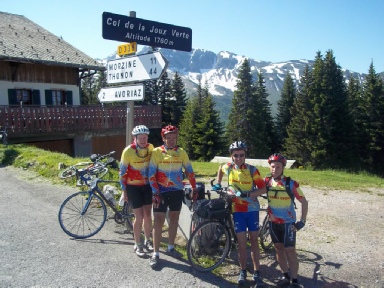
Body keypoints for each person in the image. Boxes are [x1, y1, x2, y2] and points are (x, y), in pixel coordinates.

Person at [212, 141, 267, 286]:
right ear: (231, 156)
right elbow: (220, 168)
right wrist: (218, 183)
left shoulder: (252, 170)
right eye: (235, 155)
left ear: (245, 155)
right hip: (237, 210)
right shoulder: (228, 167)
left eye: (241, 155)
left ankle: (256, 272)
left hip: (252, 209)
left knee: (254, 240)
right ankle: (243, 271)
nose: (238, 158)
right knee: (242, 243)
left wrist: (249, 193)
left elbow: (263, 189)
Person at [148, 124, 197, 268]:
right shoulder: (157, 152)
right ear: (163, 138)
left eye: (173, 138)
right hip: (160, 192)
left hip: (176, 191)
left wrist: (194, 187)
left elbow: (189, 171)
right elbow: (151, 173)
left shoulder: (181, 152)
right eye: (168, 138)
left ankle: (170, 247)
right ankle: (156, 254)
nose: (171, 140)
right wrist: (155, 191)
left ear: (176, 138)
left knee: (174, 219)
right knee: (158, 221)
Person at [265, 153, 308, 287]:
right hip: (273, 223)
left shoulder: (291, 183)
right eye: (272, 166)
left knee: (290, 251)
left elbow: (304, 202)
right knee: (278, 249)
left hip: (288, 223)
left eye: (278, 167)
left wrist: (302, 221)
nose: (274, 169)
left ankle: (294, 280)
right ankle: (285, 275)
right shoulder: (266, 181)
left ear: (283, 168)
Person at [119, 125, 154, 257]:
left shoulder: (151, 148)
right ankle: (137, 243)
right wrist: (124, 191)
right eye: (140, 138)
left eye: (145, 137)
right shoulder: (128, 151)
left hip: (147, 186)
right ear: (136, 138)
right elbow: (122, 172)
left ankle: (147, 240)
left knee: (148, 216)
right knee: (138, 217)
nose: (143, 140)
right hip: (133, 187)